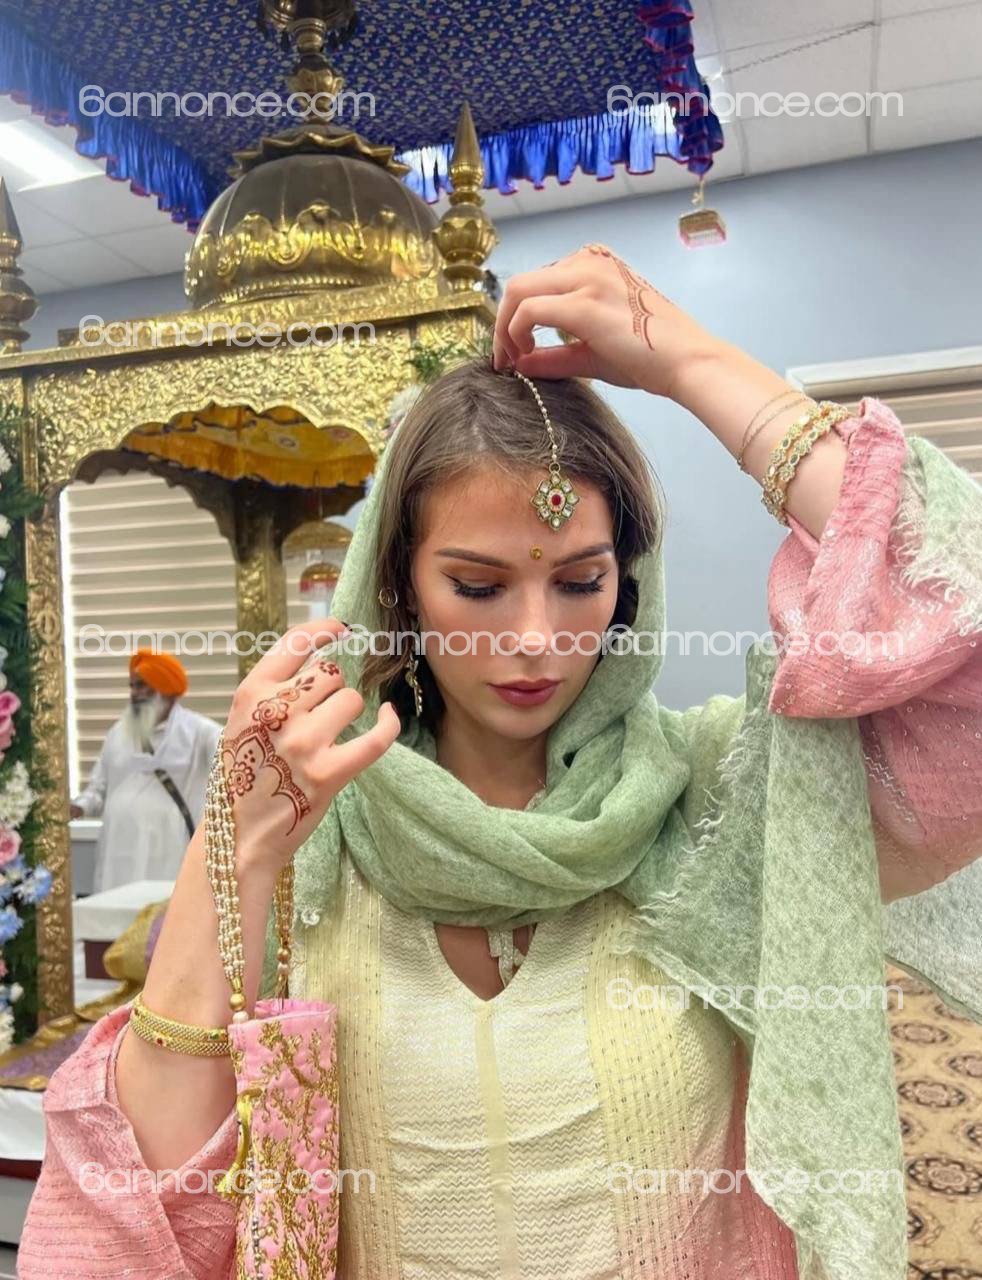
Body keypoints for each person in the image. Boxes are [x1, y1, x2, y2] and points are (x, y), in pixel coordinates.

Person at [19, 245, 982, 1279]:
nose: (534, 638)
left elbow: (960, 622)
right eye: (478, 587)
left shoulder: (714, 798)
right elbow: (135, 1221)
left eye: (580, 581)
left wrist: (692, 363)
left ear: (628, 584)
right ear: (400, 586)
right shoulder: (310, 830)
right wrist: (235, 845)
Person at [70, 649, 222, 891]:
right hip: (118, 850)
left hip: (170, 849)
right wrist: (79, 807)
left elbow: (235, 763)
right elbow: (98, 789)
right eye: (132, 686)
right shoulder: (117, 734)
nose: (134, 693)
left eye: (142, 685)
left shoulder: (200, 732)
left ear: (166, 689)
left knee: (164, 910)